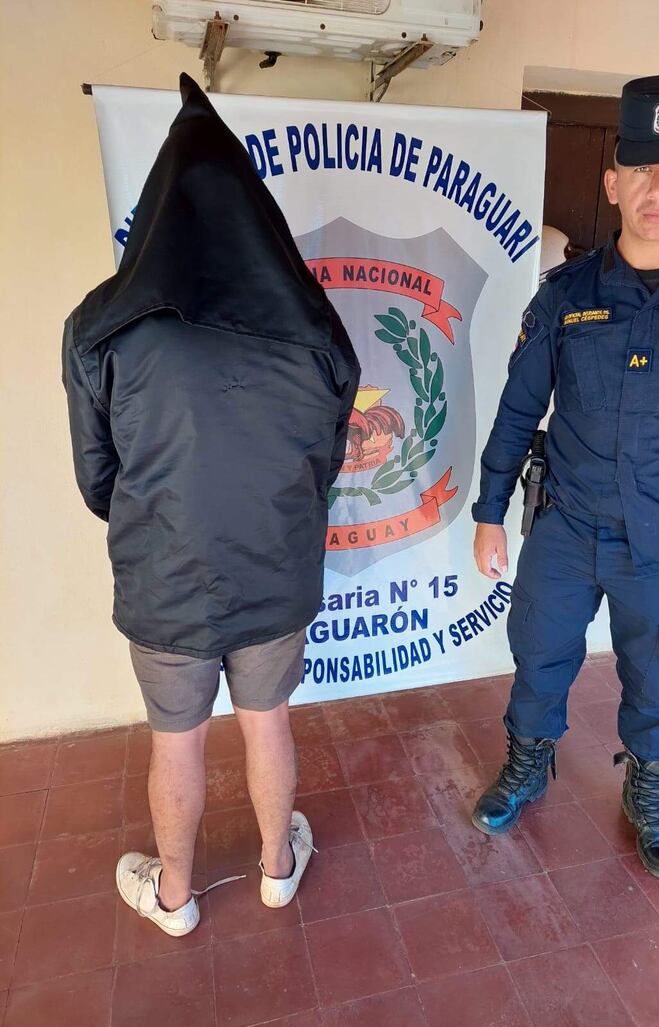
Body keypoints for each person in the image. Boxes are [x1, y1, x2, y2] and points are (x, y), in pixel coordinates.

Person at [62, 74, 360, 933]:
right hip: (274, 569)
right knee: (267, 724)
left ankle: (175, 896)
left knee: (175, 741)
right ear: (251, 211)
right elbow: (327, 457)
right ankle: (276, 870)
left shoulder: (102, 326)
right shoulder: (313, 323)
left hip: (165, 576)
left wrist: (163, 518)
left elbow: (96, 478)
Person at [471, 72, 659, 880]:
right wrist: (490, 510)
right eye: (641, 170)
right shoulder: (566, 296)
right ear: (613, 184)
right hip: (566, 526)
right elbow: (516, 407)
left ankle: (650, 791)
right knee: (538, 653)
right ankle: (529, 763)